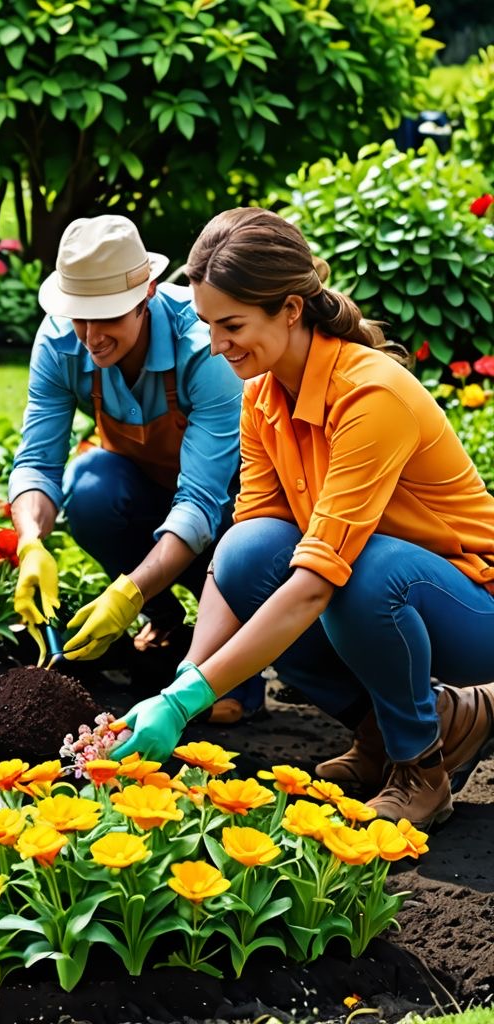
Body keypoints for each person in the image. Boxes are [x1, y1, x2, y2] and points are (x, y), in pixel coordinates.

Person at [114, 206, 494, 829]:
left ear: (290, 309)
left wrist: (189, 699)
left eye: (232, 325)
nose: (217, 345)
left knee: (362, 573)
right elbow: (243, 549)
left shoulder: (372, 395)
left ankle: (423, 770)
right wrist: (185, 680)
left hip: (474, 604)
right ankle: (398, 729)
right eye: (208, 325)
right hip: (383, 589)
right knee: (247, 555)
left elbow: (318, 580)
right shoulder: (262, 395)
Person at [9, 214, 263, 718]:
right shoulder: (61, 340)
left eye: (108, 317)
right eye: (80, 315)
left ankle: (236, 661)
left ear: (147, 292)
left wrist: (127, 591)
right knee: (90, 488)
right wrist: (30, 541)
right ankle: (166, 621)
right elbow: (38, 461)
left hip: (232, 504)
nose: (91, 335)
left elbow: (199, 502)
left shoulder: (204, 347)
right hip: (143, 489)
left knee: (247, 545)